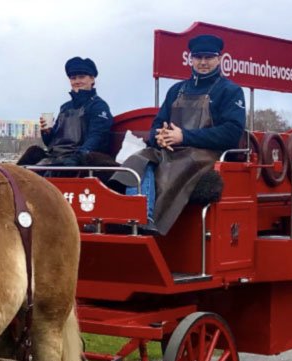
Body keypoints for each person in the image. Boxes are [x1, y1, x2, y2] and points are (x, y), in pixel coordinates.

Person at [112, 34, 246, 234]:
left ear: (219, 59)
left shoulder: (230, 91)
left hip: (205, 154)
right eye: (198, 57)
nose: (203, 62)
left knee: (173, 169)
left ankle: (150, 223)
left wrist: (184, 137)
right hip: (170, 150)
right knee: (137, 159)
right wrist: (158, 137)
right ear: (191, 59)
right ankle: (135, 216)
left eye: (208, 57)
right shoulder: (176, 90)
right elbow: (157, 124)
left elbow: (232, 133)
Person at [17, 56, 115, 177]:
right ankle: (11, 180)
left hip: (81, 158)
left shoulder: (98, 106)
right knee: (33, 152)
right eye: (73, 78)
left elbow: (97, 137)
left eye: (81, 77)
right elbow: (52, 144)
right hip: (57, 157)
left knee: (65, 165)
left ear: (92, 79)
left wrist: (78, 156)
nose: (77, 81)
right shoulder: (65, 107)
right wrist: (47, 132)